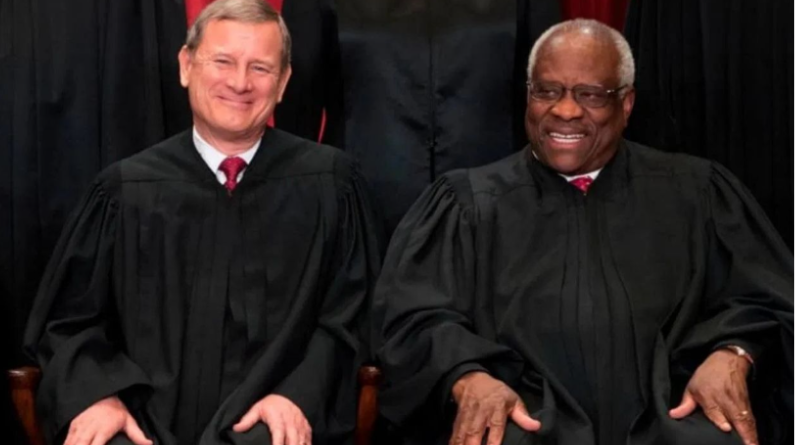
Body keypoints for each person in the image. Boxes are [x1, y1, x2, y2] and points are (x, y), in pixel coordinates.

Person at [372, 19, 792, 445]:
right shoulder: (467, 205)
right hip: (525, 419)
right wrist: (468, 376)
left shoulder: (696, 194)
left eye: (590, 95)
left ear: (626, 104)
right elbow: (414, 320)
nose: (566, 111)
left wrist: (734, 353)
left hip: (671, 417)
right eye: (547, 91)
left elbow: (769, 299)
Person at [24, 1, 382, 444]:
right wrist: (99, 396)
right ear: (186, 65)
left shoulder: (331, 185)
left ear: (284, 82)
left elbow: (351, 321)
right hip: (142, 424)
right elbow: (70, 324)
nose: (239, 82)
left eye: (260, 68)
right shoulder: (124, 191)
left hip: (270, 421)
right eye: (223, 62)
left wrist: (297, 396)